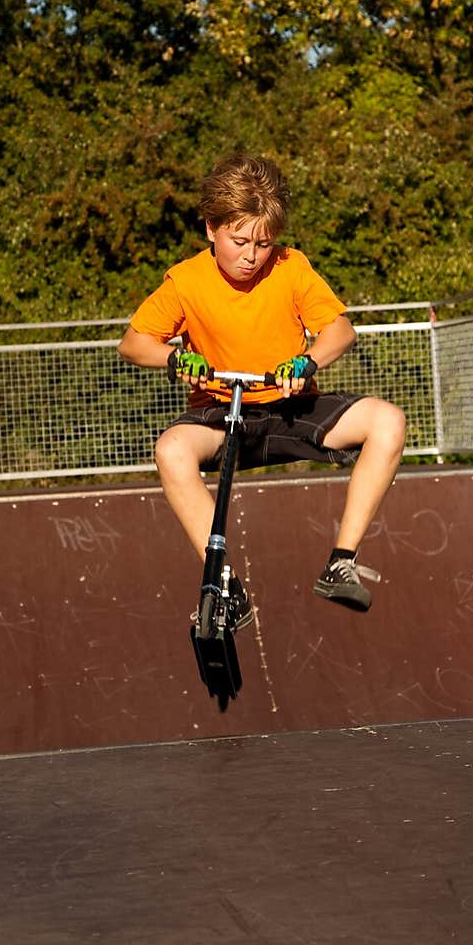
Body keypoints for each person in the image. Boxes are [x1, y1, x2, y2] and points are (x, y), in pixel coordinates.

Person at [118, 152, 406, 629]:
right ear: (211, 228)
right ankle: (226, 588)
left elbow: (340, 330)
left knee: (388, 421)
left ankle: (340, 563)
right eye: (239, 241)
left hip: (291, 406)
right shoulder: (186, 281)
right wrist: (174, 358)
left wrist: (308, 361)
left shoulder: (291, 268)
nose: (251, 255)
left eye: (263, 243)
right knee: (171, 449)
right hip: (221, 413)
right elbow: (133, 343)